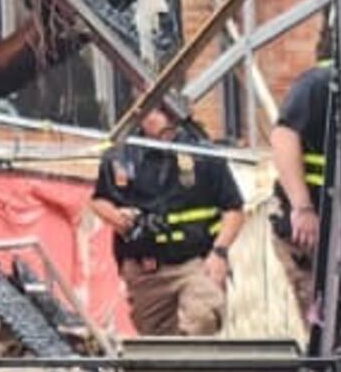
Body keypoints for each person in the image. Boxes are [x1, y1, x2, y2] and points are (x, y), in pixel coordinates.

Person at [93, 101, 235, 337]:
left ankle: (197, 368)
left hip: (195, 263)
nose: (149, 117)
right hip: (146, 270)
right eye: (145, 110)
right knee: (157, 345)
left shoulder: (203, 155)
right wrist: (119, 219)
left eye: (157, 110)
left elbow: (234, 209)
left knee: (202, 317)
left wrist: (220, 253)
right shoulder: (121, 156)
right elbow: (99, 200)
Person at [269, 57, 332, 330]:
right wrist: (303, 208)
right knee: (323, 320)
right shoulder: (319, 84)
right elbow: (283, 136)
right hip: (309, 228)